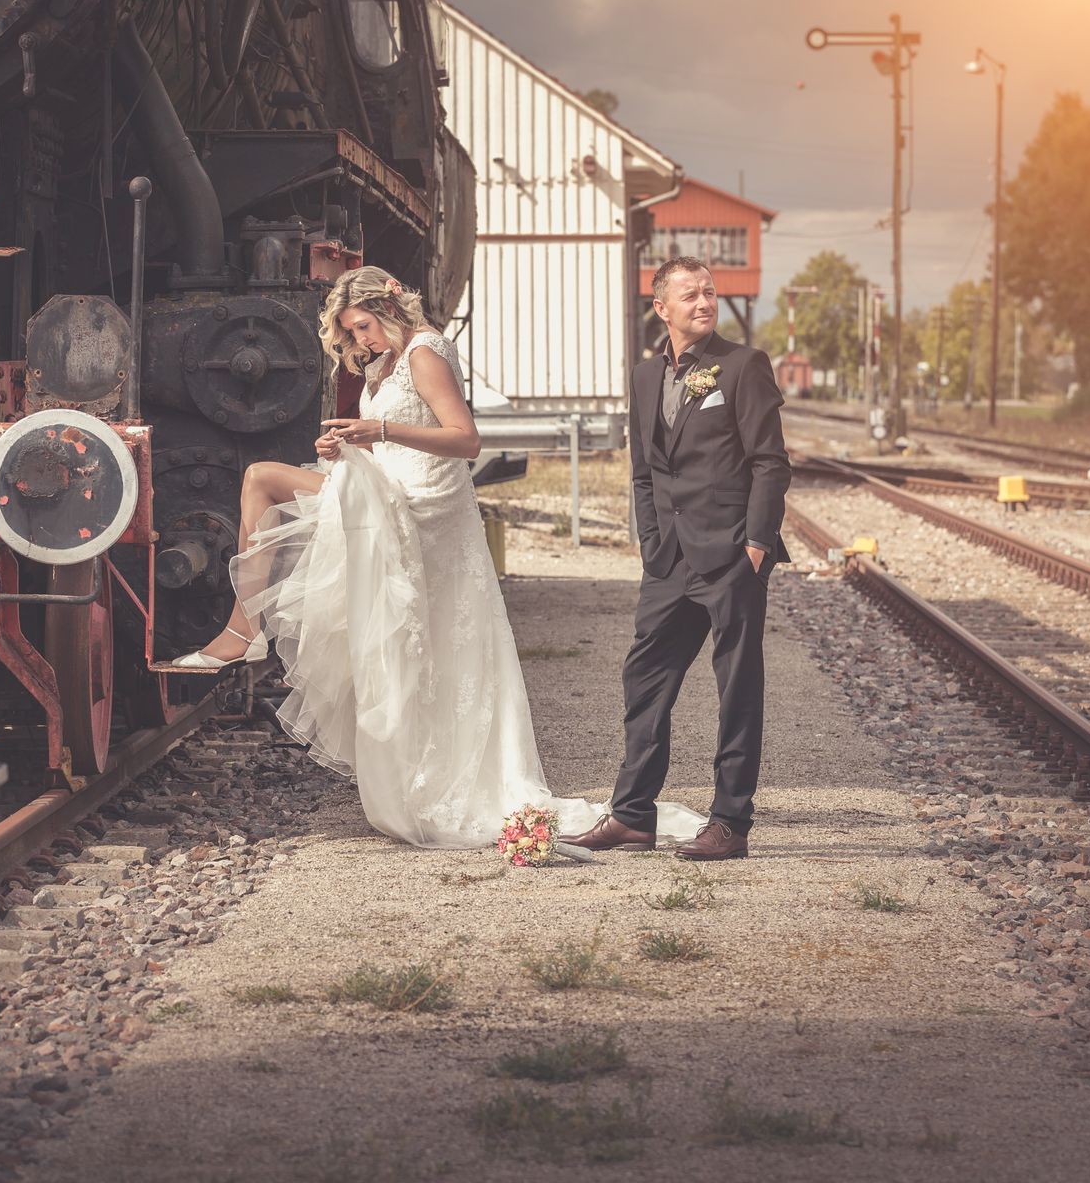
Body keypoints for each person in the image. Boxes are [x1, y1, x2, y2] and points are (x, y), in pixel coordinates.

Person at [174, 265, 702, 849]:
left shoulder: (425, 351)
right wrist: (344, 442)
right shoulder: (382, 363)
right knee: (404, 636)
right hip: (391, 488)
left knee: (261, 480)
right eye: (351, 333)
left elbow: (465, 440)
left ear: (391, 308)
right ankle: (253, 634)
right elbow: (386, 434)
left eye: (365, 327)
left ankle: (242, 628)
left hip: (420, 505)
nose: (361, 342)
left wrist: (379, 429)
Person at [563, 256, 791, 862]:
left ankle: (730, 823)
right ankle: (633, 815)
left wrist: (758, 543)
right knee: (645, 678)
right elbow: (644, 471)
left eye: (710, 292)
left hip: (732, 557)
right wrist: (649, 540)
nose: (704, 302)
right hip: (668, 559)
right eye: (689, 295)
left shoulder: (743, 366)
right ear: (661, 307)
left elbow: (770, 461)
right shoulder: (643, 378)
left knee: (737, 688)